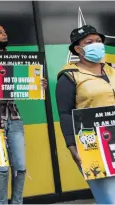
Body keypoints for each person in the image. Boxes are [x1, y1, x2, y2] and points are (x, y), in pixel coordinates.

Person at [0, 22, 47, 204]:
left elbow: (27, 83)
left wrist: (38, 85)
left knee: (20, 167)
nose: (4, 34)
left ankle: (17, 202)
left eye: (5, 31)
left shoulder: (14, 58)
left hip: (14, 116)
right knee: (2, 168)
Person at [56, 25, 115, 204]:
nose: (96, 45)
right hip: (93, 143)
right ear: (78, 49)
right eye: (89, 42)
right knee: (110, 196)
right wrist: (72, 147)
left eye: (98, 41)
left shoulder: (112, 69)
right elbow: (65, 113)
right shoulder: (69, 75)